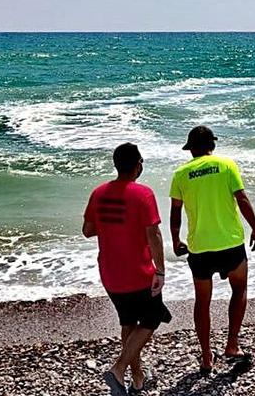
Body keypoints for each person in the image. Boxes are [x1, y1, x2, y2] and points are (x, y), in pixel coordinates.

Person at [169, 126, 255, 375]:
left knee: (202, 302)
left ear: (191, 149)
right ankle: (232, 344)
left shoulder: (181, 174)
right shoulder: (227, 165)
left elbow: (175, 211)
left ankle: (206, 356)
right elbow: (242, 199)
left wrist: (176, 239)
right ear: (212, 145)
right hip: (230, 243)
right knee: (239, 289)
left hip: (200, 247)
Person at [83, 143, 170, 396]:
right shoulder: (143, 194)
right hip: (138, 273)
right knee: (152, 319)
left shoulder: (99, 193)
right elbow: (153, 234)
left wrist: (114, 226)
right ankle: (118, 369)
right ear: (138, 165)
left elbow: (88, 230)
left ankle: (138, 378)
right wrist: (160, 271)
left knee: (129, 322)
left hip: (110, 274)